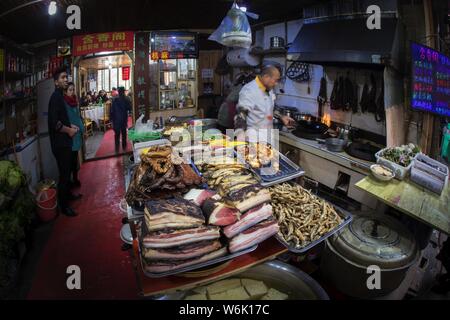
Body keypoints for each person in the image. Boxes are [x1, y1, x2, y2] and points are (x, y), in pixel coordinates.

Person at [47, 67, 81, 217]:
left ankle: (68, 196)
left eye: (66, 77)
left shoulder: (60, 96)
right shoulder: (55, 97)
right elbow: (55, 123)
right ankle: (64, 206)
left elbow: (62, 119)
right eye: (62, 78)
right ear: (55, 82)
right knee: (64, 175)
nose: (65, 80)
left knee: (67, 173)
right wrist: (69, 131)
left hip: (65, 142)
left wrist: (70, 126)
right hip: (60, 144)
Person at [234, 65, 295, 143]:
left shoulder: (268, 88)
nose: (276, 84)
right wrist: (240, 132)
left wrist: (282, 117)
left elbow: (270, 107)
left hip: (268, 137)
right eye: (275, 80)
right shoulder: (249, 91)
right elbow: (241, 115)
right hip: (254, 139)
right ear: (266, 77)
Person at [64, 82, 85, 189]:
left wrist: (81, 126)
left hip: (77, 133)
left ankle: (75, 178)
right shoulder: (64, 103)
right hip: (70, 133)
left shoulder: (74, 101)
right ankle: (70, 181)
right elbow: (63, 120)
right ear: (65, 91)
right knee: (70, 159)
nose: (72, 92)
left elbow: (77, 116)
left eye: (73, 89)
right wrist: (70, 126)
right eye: (70, 90)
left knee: (75, 157)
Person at [110, 87, 131, 153]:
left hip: (116, 119)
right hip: (123, 119)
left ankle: (117, 149)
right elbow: (129, 108)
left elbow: (112, 111)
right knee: (124, 133)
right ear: (124, 91)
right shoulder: (127, 99)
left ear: (118, 92)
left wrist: (111, 120)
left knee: (117, 134)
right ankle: (124, 147)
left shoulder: (114, 99)